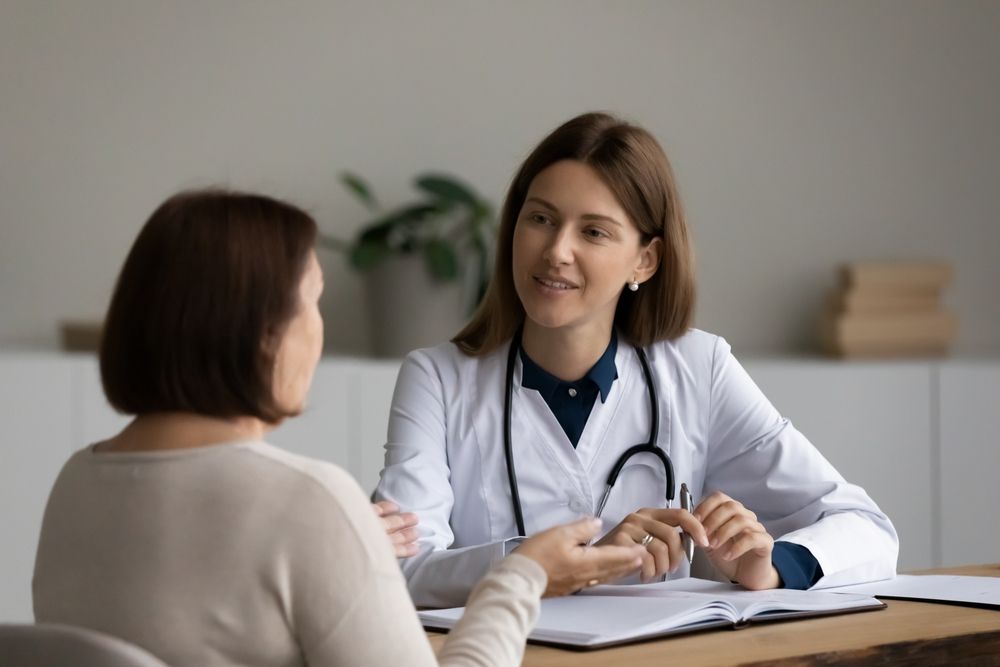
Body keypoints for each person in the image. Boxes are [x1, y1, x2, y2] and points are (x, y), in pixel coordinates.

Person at [32, 189, 645, 666]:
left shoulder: (75, 484)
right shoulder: (307, 502)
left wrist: (340, 549)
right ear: (260, 329)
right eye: (312, 301)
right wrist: (524, 576)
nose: (317, 333)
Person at [374, 112, 899, 609]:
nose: (556, 250)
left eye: (593, 231)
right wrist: (552, 563)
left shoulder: (699, 368)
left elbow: (864, 526)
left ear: (644, 260)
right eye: (540, 219)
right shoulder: (438, 380)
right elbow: (400, 571)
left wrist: (770, 566)